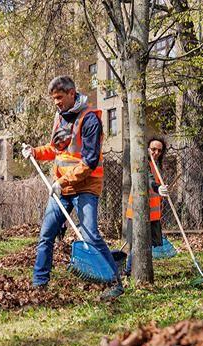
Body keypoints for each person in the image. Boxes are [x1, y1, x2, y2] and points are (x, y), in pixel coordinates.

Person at [21, 75, 124, 300]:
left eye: (59, 97)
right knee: (46, 234)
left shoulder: (90, 120)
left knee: (90, 234)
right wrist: (35, 152)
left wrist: (62, 182)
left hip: (86, 186)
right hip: (62, 188)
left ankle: (114, 281)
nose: (56, 102)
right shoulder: (60, 117)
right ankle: (39, 284)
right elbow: (56, 149)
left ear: (72, 93)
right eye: (54, 99)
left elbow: (89, 161)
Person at [124, 136, 170, 275]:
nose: (156, 153)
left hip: (153, 214)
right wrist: (157, 188)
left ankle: (139, 270)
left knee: (147, 245)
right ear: (147, 149)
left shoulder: (156, 166)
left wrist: (161, 190)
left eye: (159, 151)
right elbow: (148, 179)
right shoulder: (143, 164)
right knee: (136, 245)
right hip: (138, 213)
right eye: (153, 149)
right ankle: (128, 271)